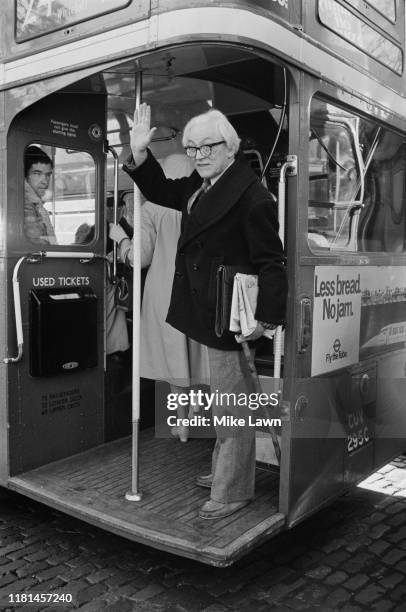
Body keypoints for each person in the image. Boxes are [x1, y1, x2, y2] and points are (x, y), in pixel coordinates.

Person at [110, 103, 287, 520]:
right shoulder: (203, 186)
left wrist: (265, 320)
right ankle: (226, 471)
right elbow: (162, 191)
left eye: (208, 146)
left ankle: (231, 491)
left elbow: (271, 262)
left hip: (229, 317)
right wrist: (140, 154)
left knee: (231, 407)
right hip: (206, 309)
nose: (199, 155)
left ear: (231, 147)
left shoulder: (252, 196)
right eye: (191, 148)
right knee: (226, 403)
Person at [110, 154, 210, 442]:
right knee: (196, 358)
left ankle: (181, 424)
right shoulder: (202, 202)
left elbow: (140, 258)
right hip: (197, 291)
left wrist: (121, 239)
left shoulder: (152, 207)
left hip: (164, 294)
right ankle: (196, 415)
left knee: (173, 364)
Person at [24, 146, 57, 244]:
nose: (45, 181)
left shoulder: (37, 205)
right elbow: (38, 246)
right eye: (37, 173)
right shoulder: (25, 205)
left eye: (47, 175)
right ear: (25, 175)